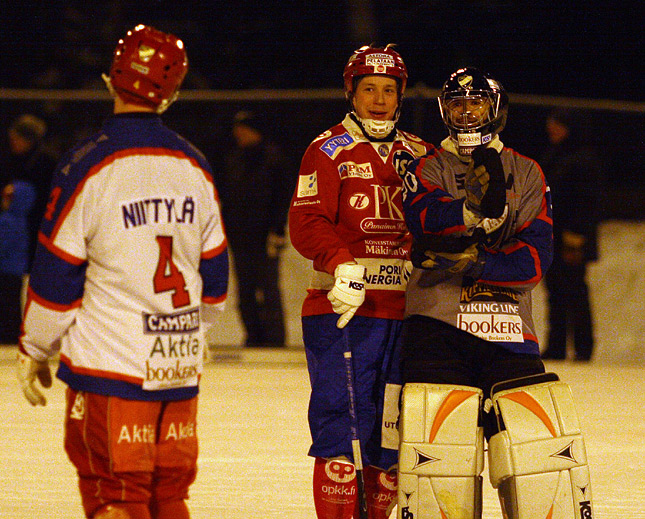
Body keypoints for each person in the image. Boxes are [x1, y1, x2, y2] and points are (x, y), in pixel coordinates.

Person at [16, 25, 229, 519]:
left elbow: (55, 276)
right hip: (176, 366)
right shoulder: (193, 165)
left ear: (112, 79)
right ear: (173, 92)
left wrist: (35, 346)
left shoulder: (88, 163)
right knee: (169, 496)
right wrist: (195, 335)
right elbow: (215, 279)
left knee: (116, 495)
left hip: (109, 369)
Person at [397, 68, 594, 519]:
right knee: (438, 452)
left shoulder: (526, 172)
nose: (467, 113)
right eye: (458, 104)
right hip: (437, 325)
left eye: (477, 104)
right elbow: (423, 221)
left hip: (506, 329)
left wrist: (475, 261)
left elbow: (533, 262)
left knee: (535, 457)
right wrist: (468, 213)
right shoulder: (427, 166)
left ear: (497, 109)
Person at [288, 45, 434, 519]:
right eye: (368, 88)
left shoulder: (421, 153)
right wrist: (342, 264)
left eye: (388, 90)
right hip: (343, 312)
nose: (378, 99)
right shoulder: (327, 149)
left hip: (407, 315)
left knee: (392, 431)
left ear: (401, 96)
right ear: (350, 91)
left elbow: (442, 222)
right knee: (341, 425)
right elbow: (307, 221)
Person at [214, 109, 293, 347]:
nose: (238, 133)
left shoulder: (273, 159)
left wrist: (278, 229)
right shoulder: (233, 159)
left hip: (265, 237)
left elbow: (282, 197)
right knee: (245, 291)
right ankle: (253, 337)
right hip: (240, 237)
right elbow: (227, 196)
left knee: (268, 289)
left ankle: (275, 340)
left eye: (243, 128)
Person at [540, 108, 601, 361]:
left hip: (572, 240)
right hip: (552, 237)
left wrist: (575, 240)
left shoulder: (583, 159)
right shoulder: (555, 156)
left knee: (575, 292)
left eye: (558, 125)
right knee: (555, 293)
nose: (552, 130)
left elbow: (587, 203)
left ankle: (583, 349)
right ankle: (556, 346)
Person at [0, 179, 35, 343]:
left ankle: (9, 336)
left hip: (7, 272)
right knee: (12, 306)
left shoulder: (9, 222)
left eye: (9, 196)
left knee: (8, 306)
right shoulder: (20, 221)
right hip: (14, 272)